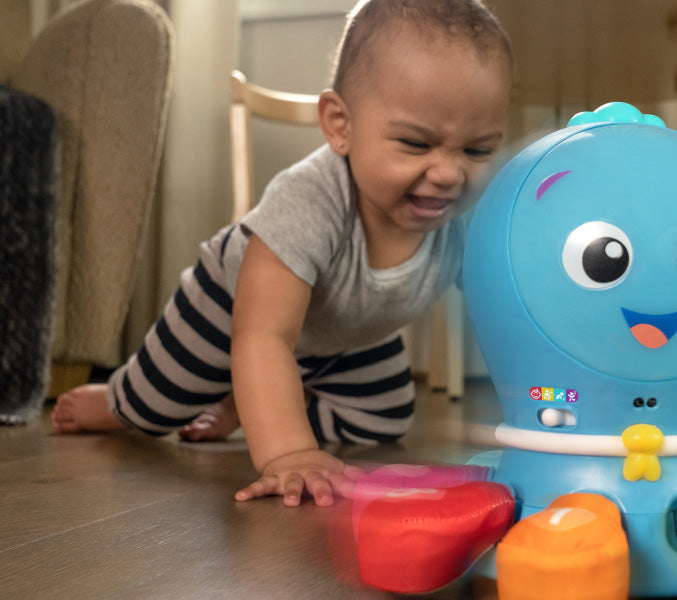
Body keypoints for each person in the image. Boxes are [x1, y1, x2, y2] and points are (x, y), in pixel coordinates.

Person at [50, 0, 513, 508]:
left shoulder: (468, 218)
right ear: (340, 125)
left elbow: (510, 298)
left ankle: (254, 404)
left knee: (383, 419)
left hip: (344, 335)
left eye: (477, 151)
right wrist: (290, 454)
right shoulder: (309, 199)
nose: (449, 174)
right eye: (414, 143)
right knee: (151, 408)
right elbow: (264, 334)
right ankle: (112, 402)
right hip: (232, 314)